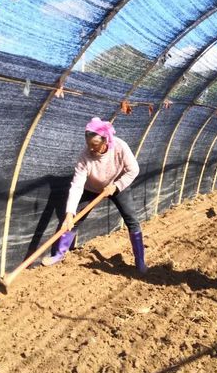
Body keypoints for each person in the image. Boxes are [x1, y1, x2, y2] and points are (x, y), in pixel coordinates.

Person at [42, 117, 147, 273]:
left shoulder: (119, 147)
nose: (91, 148)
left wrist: (117, 186)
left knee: (132, 220)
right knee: (74, 220)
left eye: (95, 145)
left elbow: (134, 169)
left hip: (117, 185)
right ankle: (59, 254)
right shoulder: (84, 156)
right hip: (91, 188)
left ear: (106, 141)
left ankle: (140, 261)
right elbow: (77, 185)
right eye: (88, 144)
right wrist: (70, 213)